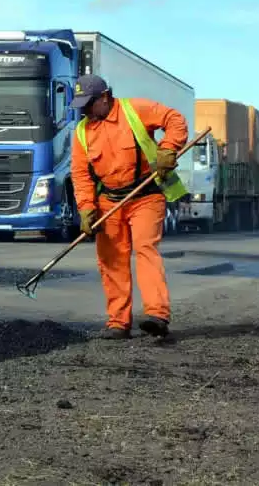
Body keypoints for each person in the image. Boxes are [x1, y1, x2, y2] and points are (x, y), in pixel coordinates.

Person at [69, 74, 189, 340]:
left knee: (145, 249)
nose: (86, 111)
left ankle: (157, 315)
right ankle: (118, 322)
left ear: (105, 97)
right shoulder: (82, 132)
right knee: (111, 259)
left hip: (145, 195)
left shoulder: (135, 110)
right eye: (81, 106)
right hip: (109, 201)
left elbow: (174, 119)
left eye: (89, 104)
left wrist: (168, 148)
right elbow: (80, 174)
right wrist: (87, 209)